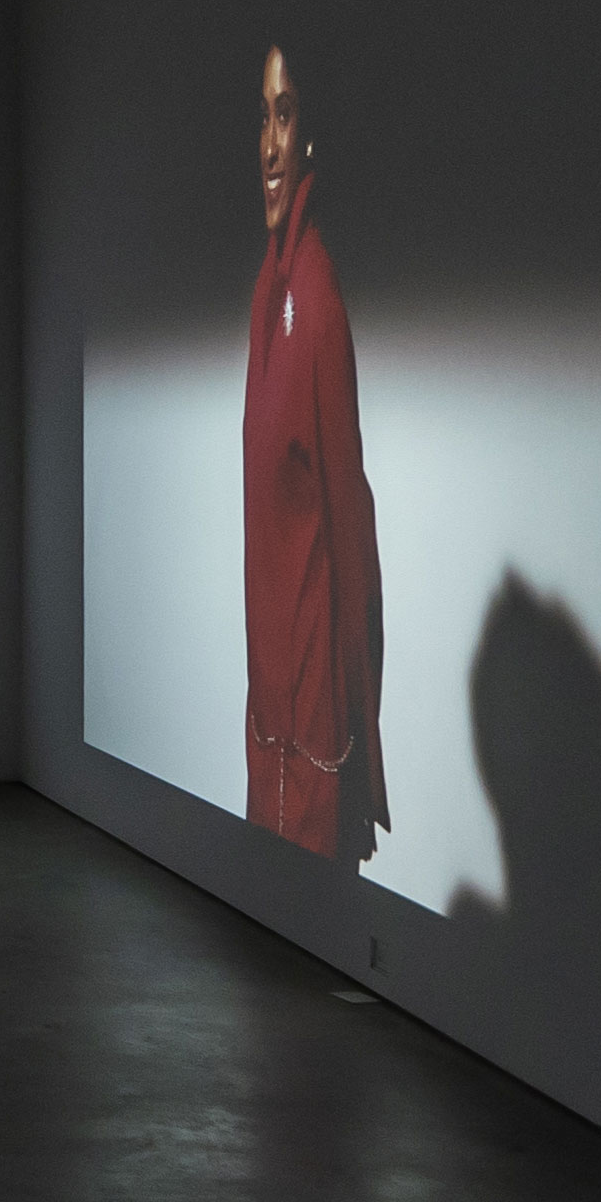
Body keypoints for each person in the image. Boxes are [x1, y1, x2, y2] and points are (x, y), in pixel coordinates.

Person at [238, 43, 384, 860]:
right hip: (271, 707)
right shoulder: (272, 293)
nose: (267, 145)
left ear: (313, 136)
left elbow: (350, 527)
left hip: (313, 728)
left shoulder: (315, 302)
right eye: (261, 115)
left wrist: (356, 760)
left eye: (285, 115)